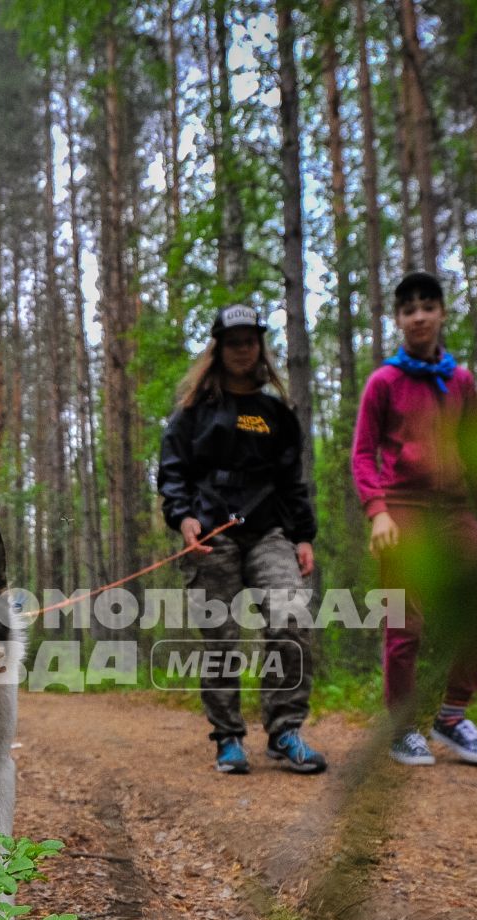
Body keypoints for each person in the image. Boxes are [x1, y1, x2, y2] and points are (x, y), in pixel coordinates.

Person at [157, 303, 326, 775]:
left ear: (259, 347)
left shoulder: (276, 413)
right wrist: (183, 518)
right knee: (221, 637)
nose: (242, 349)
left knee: (291, 616)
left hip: (269, 532)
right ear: (219, 349)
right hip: (212, 533)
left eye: (250, 340)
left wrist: (303, 536)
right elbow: (172, 474)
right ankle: (228, 737)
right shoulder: (192, 414)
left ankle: (285, 729)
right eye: (233, 342)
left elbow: (293, 480)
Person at [352, 270, 477, 766]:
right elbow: (362, 455)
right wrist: (377, 511)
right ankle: (401, 728)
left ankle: (452, 715)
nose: (418, 316)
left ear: (442, 313)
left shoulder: (460, 381)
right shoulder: (384, 382)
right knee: (404, 620)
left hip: (456, 510)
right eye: (408, 309)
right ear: (398, 320)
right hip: (402, 509)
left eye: (427, 306)